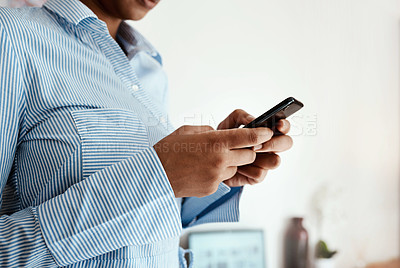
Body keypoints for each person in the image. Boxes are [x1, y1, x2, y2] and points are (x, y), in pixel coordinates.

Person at [0, 0, 293, 267]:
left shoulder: (150, 69)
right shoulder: (11, 37)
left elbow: (147, 225)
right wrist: (158, 178)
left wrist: (216, 170)